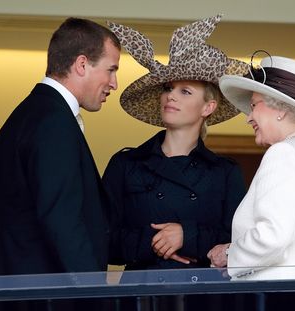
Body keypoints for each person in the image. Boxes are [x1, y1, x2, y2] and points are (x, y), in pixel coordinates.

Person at [0, 17, 121, 279]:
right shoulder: (53, 122)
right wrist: (94, 292)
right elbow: (62, 220)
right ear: (81, 64)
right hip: (36, 290)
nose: (114, 83)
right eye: (111, 70)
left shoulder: (33, 112)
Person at [103, 15, 248, 274]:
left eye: (185, 91)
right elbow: (102, 240)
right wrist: (157, 242)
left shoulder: (224, 172)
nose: (170, 95)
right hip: (141, 292)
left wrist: (186, 236)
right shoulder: (125, 164)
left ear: (208, 107)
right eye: (168, 88)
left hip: (201, 293)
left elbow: (239, 242)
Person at [208, 52, 295, 280]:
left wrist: (229, 253)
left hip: (280, 296)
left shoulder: (285, 153)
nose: (248, 117)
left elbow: (273, 236)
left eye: (253, 105)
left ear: (280, 109)